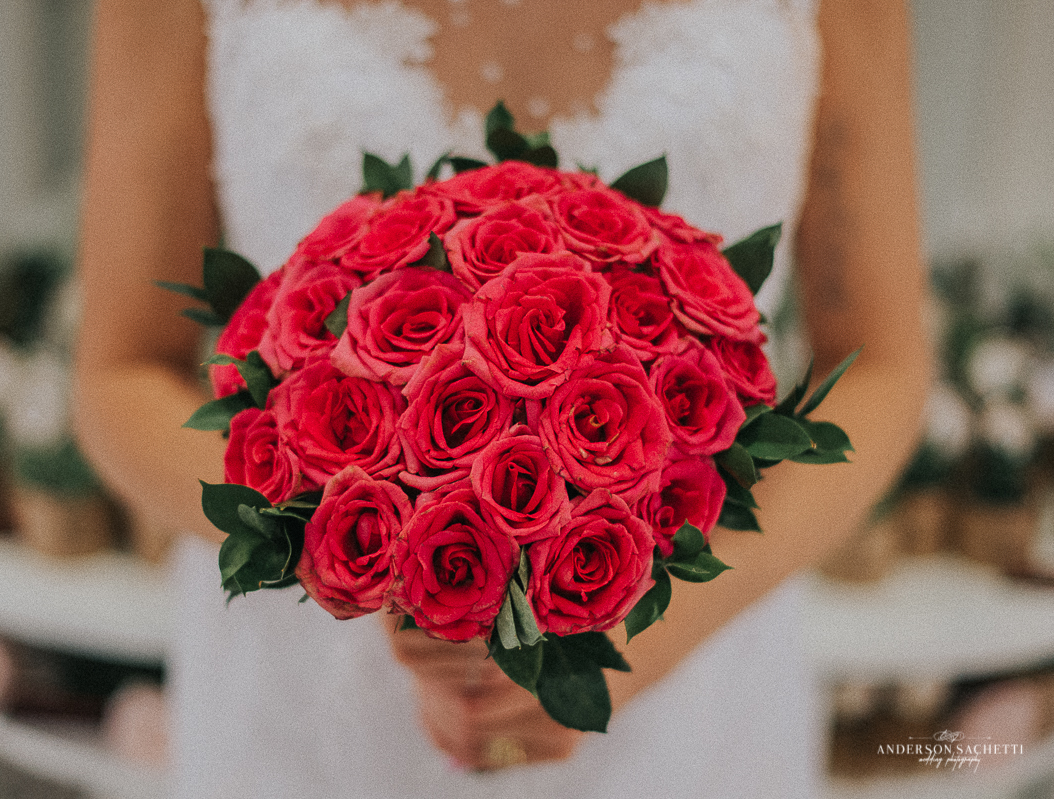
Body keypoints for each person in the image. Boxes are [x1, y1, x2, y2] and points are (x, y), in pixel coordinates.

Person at [73, 0, 931, 796]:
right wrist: (355, 553)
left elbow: (882, 367)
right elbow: (119, 376)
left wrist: (642, 637)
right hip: (316, 699)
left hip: (688, 689)